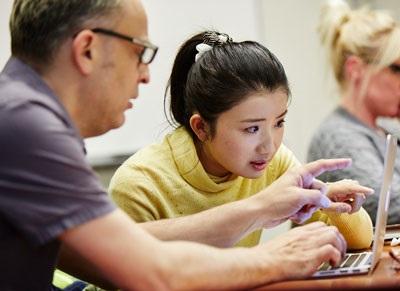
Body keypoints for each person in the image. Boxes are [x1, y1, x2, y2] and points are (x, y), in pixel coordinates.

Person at [0, 0, 356, 290]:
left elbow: (123, 247)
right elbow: (148, 270)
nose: (146, 74)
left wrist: (263, 210)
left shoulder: (21, 113)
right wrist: (276, 256)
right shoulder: (27, 126)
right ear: (87, 49)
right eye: (139, 52)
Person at [109, 30, 374, 251]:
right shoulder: (139, 185)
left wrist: (333, 205)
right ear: (201, 127)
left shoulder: (273, 162)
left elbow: (361, 242)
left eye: (279, 122)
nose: (269, 146)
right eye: (251, 129)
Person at [307, 0, 400, 224]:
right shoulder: (338, 136)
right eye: (396, 69)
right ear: (356, 69)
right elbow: (389, 207)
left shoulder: (386, 129)